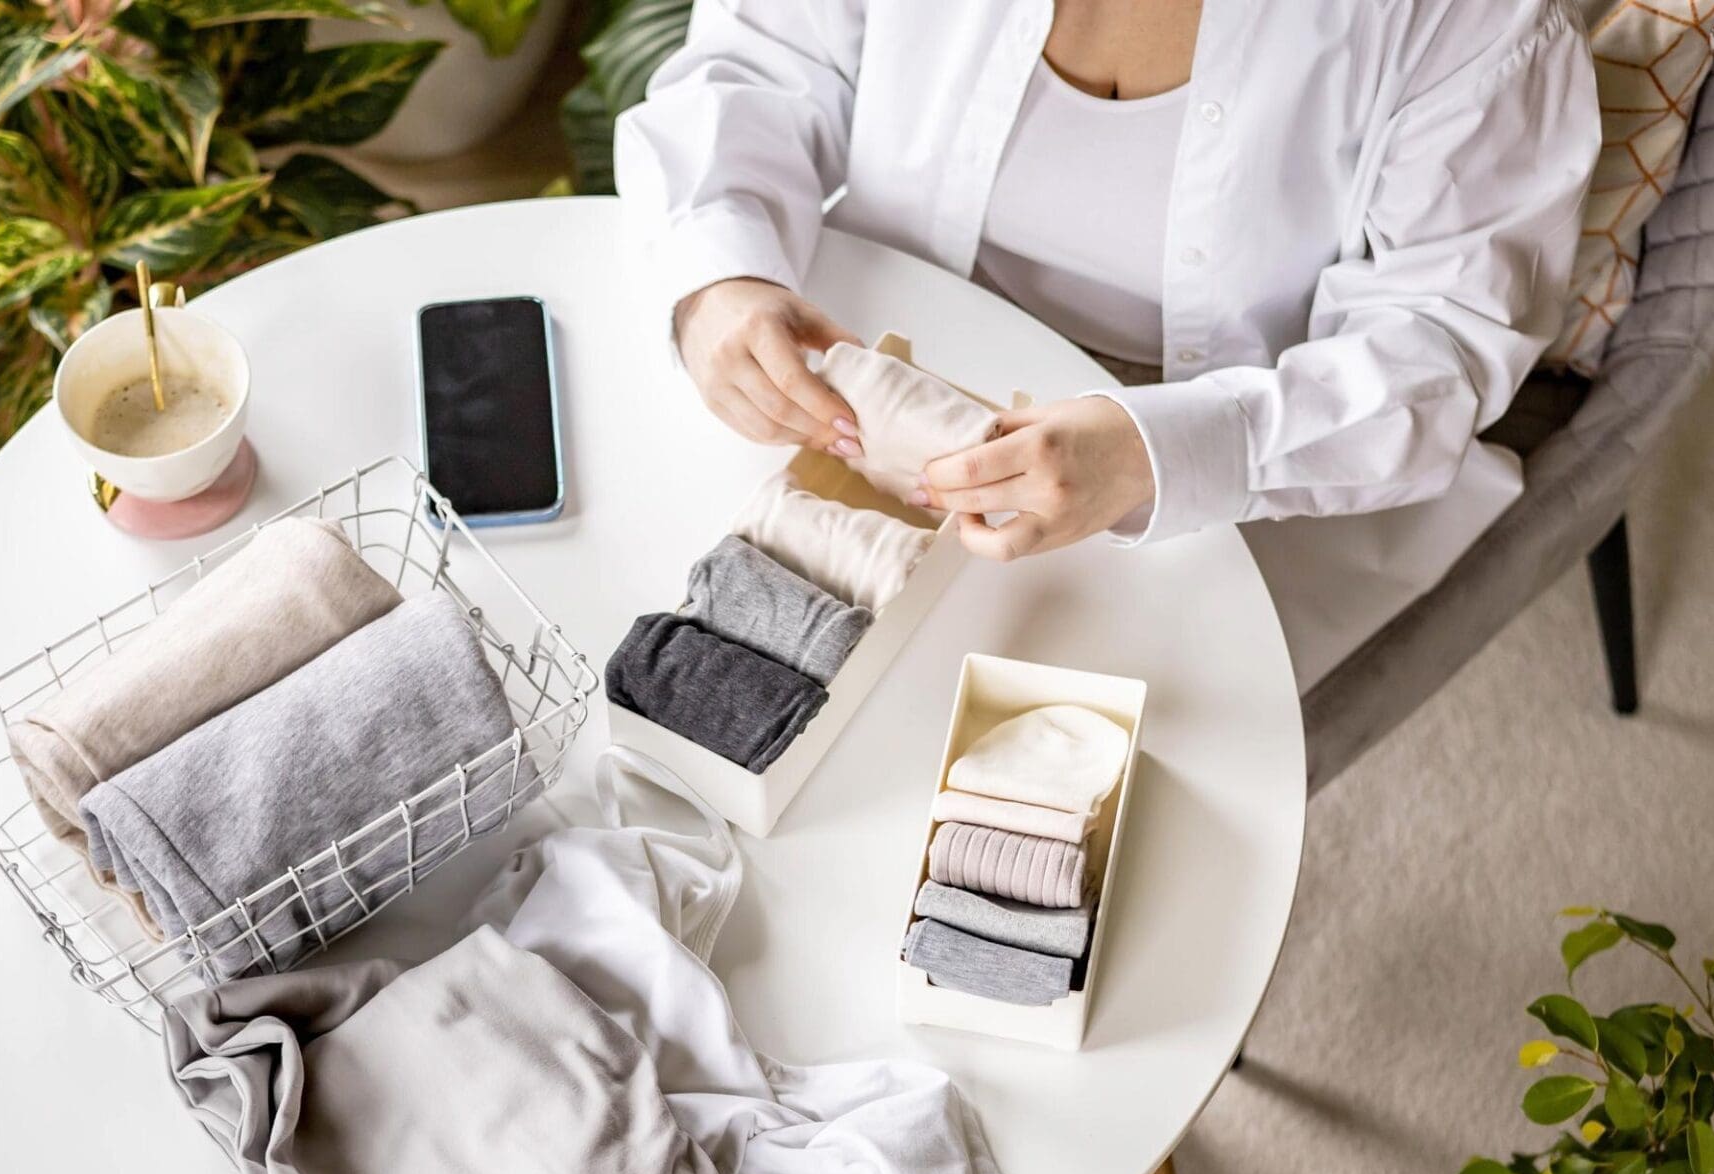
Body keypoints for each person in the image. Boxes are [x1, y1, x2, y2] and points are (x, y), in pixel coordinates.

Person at [614, 0, 1600, 690]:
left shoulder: (1469, 18)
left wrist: (1155, 454)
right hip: (862, 371)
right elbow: (755, 63)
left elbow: (1436, 343)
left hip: (1238, 468)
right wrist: (720, 275)